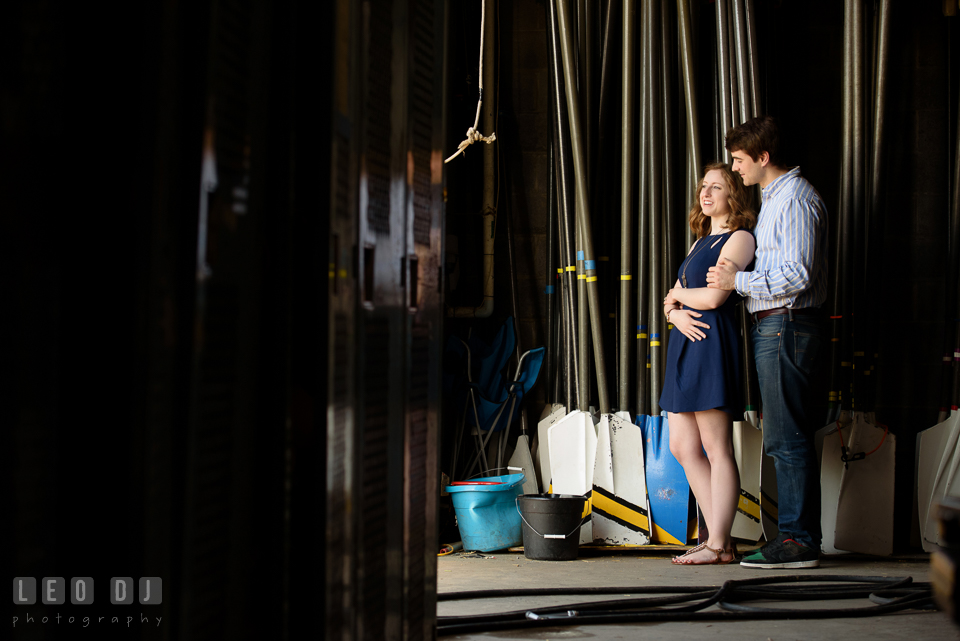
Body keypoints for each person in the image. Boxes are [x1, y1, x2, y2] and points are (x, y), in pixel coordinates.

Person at [707, 115, 828, 569]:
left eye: (740, 160)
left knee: (786, 436)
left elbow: (798, 275)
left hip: (787, 323)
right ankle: (798, 537)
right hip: (778, 325)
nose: (735, 169)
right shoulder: (776, 199)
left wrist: (740, 280)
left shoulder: (795, 199)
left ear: (763, 157)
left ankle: (798, 542)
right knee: (785, 434)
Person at [660, 162, 757, 565]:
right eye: (703, 186)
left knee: (717, 448)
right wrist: (675, 312)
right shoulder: (700, 241)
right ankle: (720, 540)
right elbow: (671, 297)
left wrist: (681, 297)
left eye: (716, 186)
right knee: (683, 447)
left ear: (732, 194)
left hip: (711, 345)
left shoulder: (740, 239)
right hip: (685, 343)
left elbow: (717, 298)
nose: (706, 193)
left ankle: (718, 542)